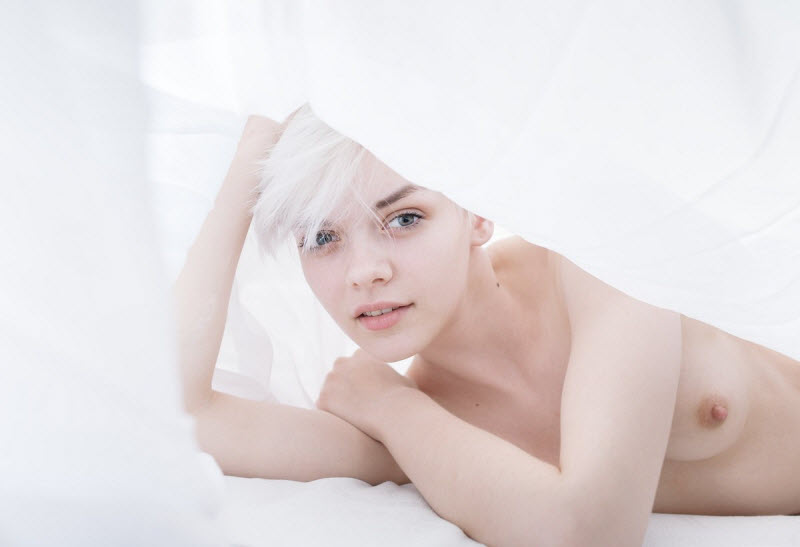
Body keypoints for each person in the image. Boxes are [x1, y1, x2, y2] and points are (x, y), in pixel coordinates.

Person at [175, 107, 800, 547]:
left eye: (404, 219)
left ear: (477, 214)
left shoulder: (595, 263)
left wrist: (392, 408)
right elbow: (180, 415)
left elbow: (592, 533)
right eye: (321, 237)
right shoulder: (423, 424)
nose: (364, 272)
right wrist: (248, 164)